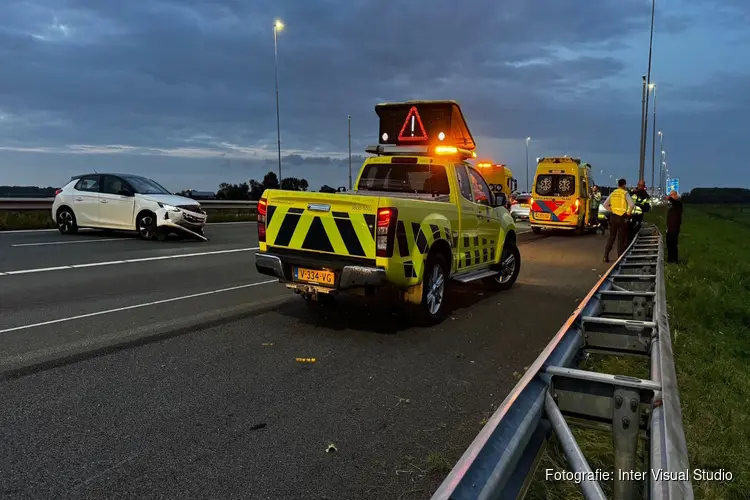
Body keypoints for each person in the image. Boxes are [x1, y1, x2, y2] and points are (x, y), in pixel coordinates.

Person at [602, 178, 635, 262]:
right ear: (624, 185)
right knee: (620, 239)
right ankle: (619, 259)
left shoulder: (613, 193)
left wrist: (612, 210)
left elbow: (605, 204)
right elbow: (631, 205)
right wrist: (628, 213)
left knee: (611, 237)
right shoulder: (625, 193)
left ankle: (605, 256)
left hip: (613, 217)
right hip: (621, 218)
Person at [666, 190, 683, 263]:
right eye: (670, 195)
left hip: (675, 228)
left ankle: (675, 260)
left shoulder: (678, 203)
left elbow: (674, 201)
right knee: (669, 245)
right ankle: (670, 259)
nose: (671, 196)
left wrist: (669, 198)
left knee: (673, 244)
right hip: (669, 228)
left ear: (676, 195)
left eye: (672, 195)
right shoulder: (672, 207)